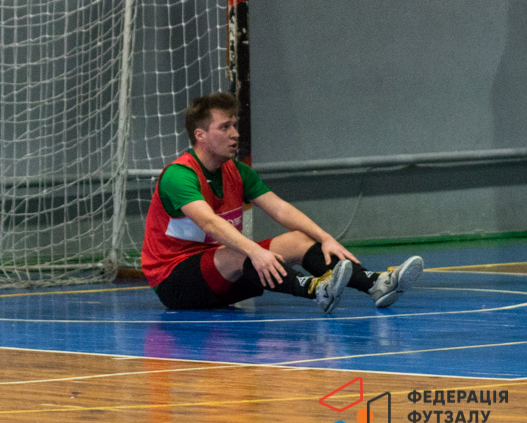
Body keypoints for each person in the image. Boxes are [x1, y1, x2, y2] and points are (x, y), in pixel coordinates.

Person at [142, 92, 422, 313]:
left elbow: (279, 208)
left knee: (298, 240)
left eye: (235, 125)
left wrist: (325, 238)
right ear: (200, 135)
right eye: (224, 127)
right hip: (175, 283)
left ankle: (375, 283)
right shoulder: (179, 176)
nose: (235, 133)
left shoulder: (237, 172)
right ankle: (317, 290)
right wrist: (255, 251)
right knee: (241, 252)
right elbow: (209, 222)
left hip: (223, 275)